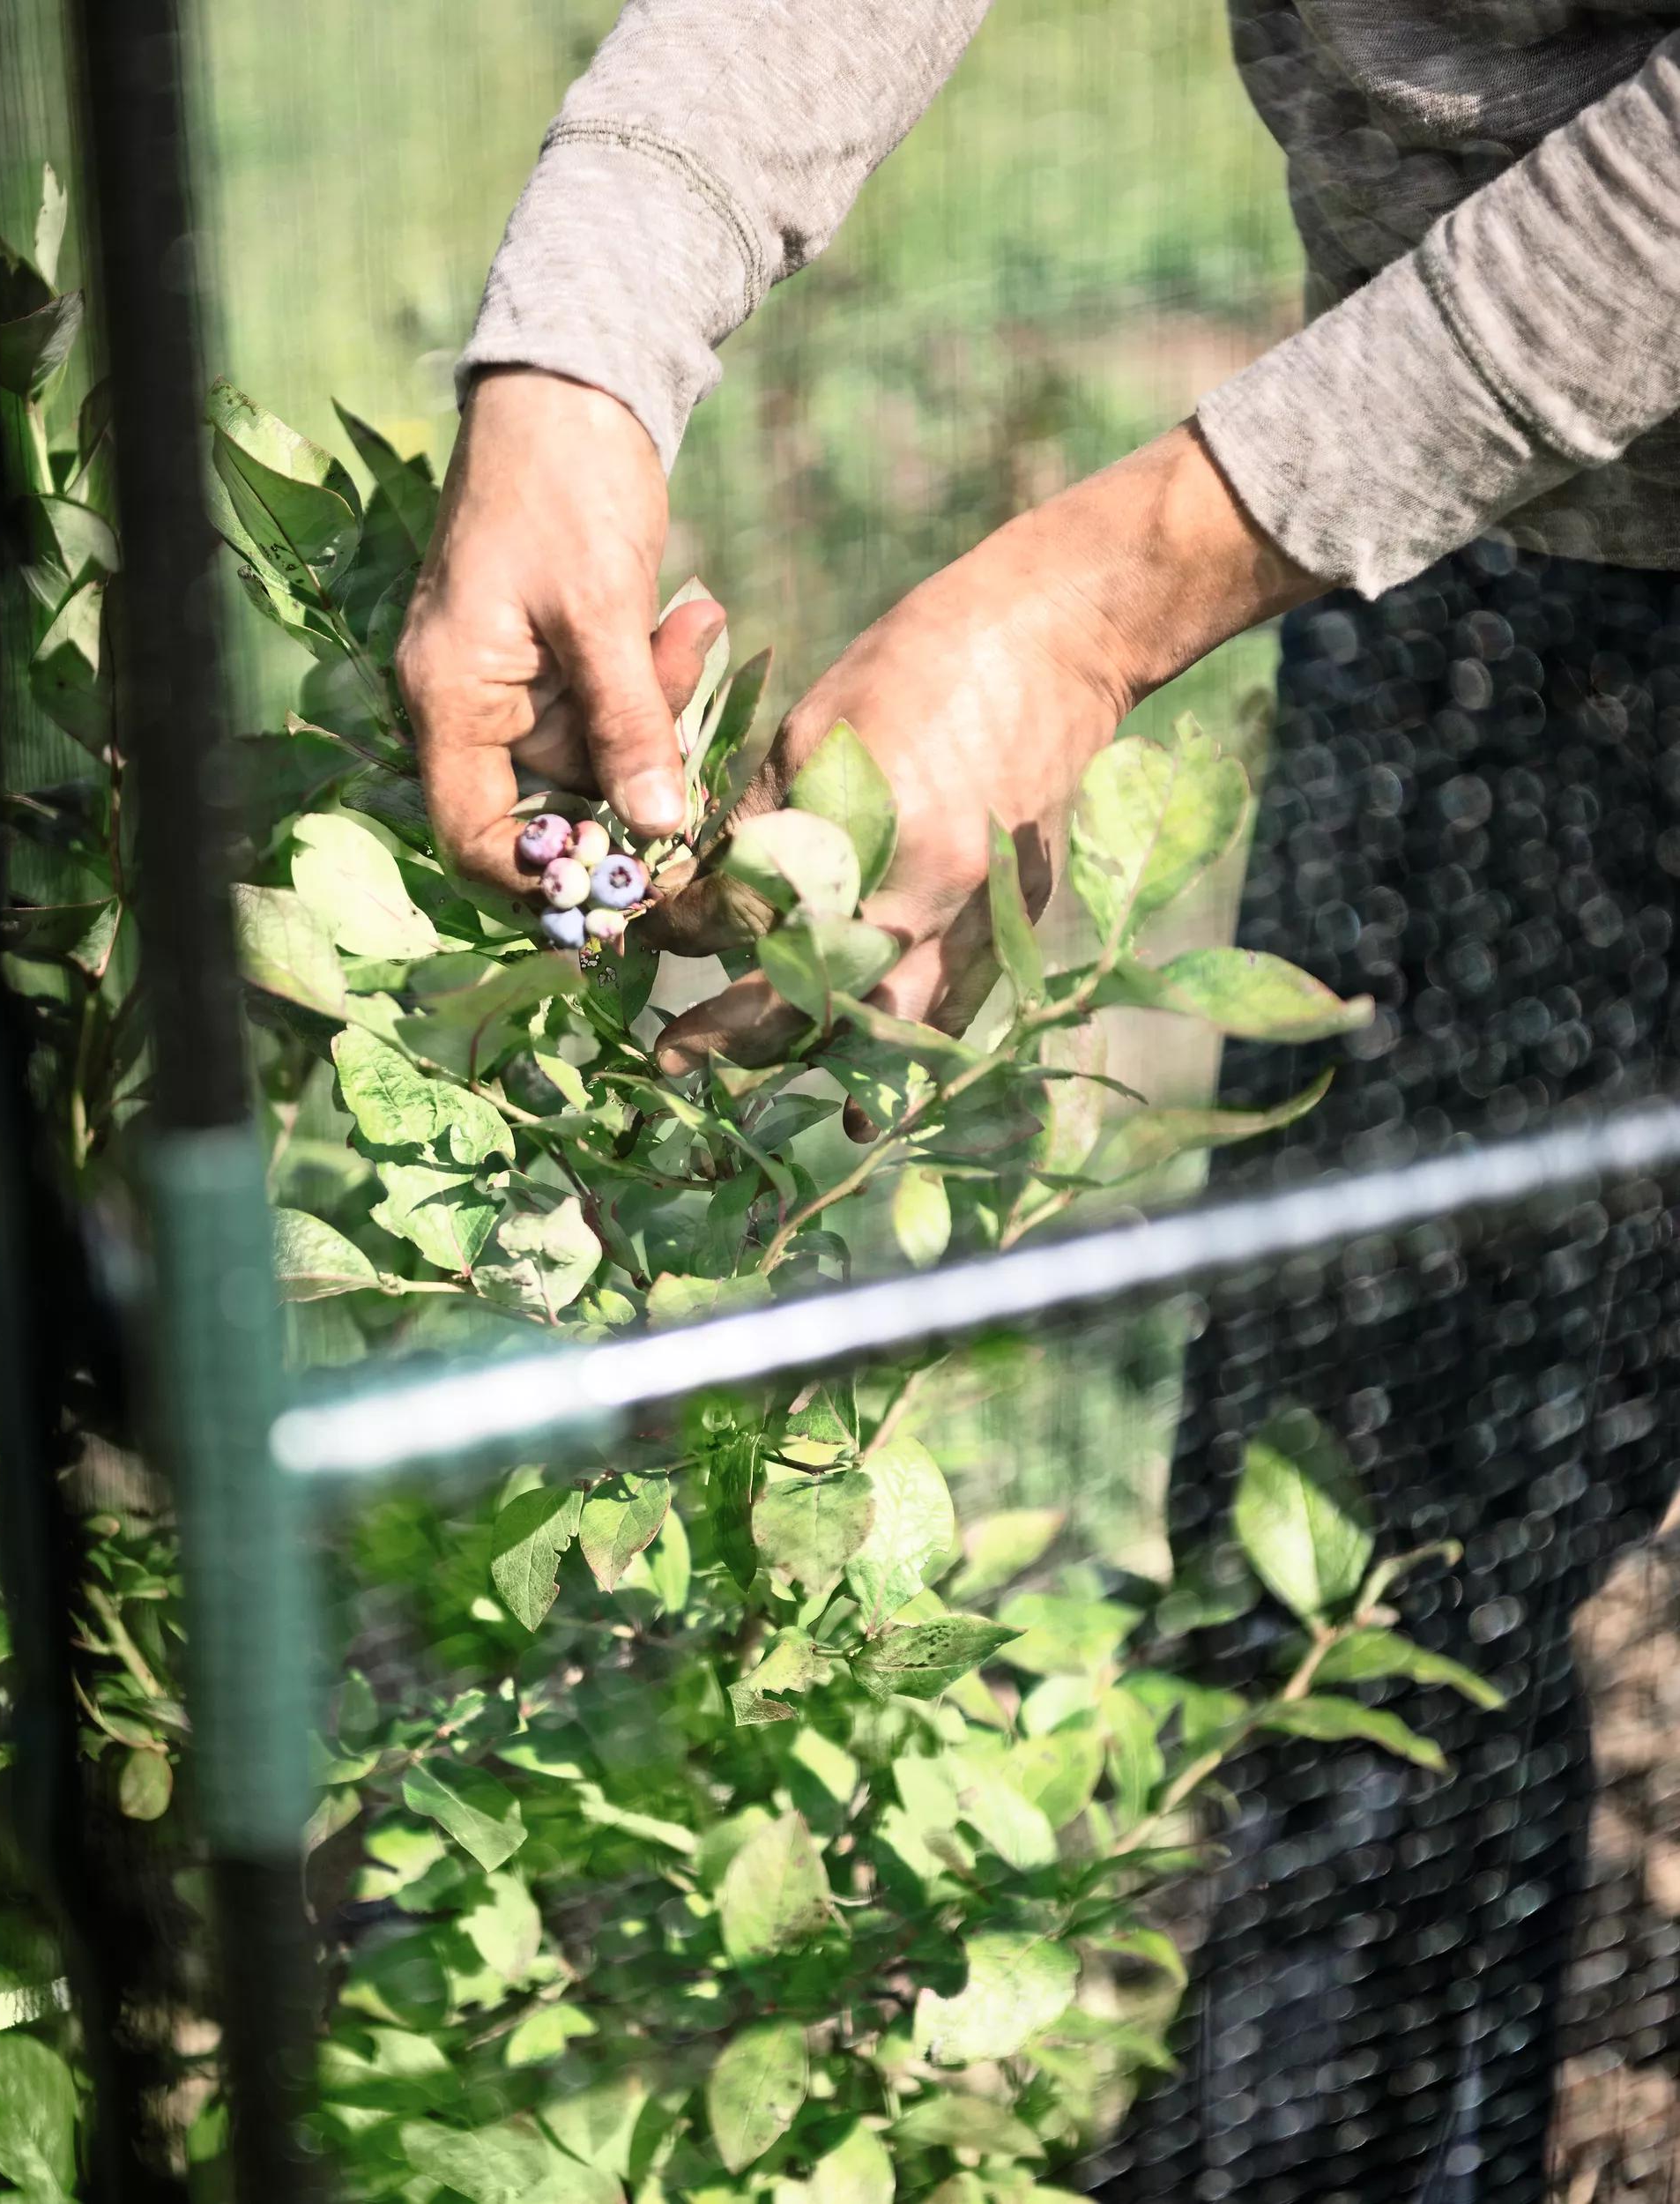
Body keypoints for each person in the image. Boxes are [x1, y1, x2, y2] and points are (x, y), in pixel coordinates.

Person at [397, 8, 1680, 2200]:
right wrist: (577, 359)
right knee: (1360, 1598)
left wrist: (1089, 607)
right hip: (1468, 525)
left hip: (1440, 458)